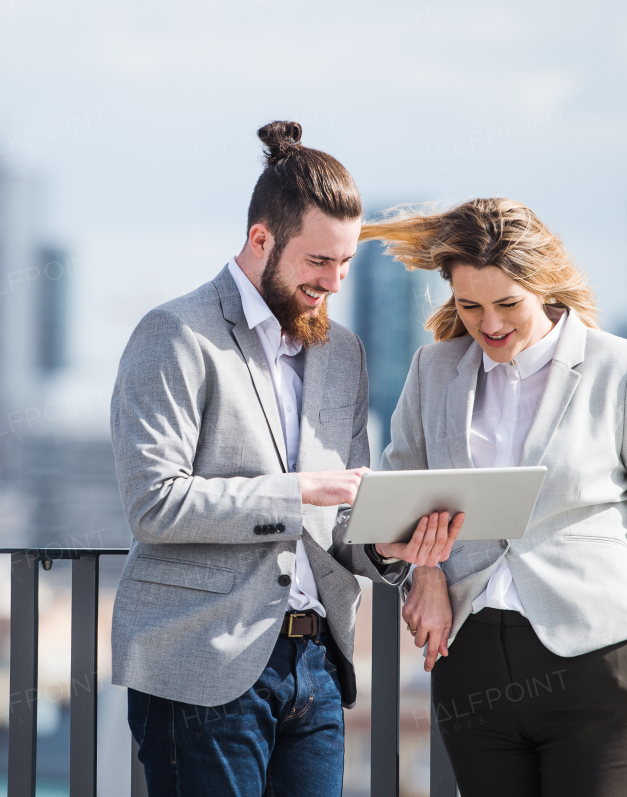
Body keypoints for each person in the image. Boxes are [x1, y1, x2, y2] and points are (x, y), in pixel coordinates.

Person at [110, 121, 462, 797]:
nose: (333, 282)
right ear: (260, 240)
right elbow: (155, 504)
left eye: (346, 264)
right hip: (202, 666)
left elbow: (335, 520)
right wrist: (301, 489)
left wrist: (389, 546)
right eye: (318, 262)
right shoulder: (175, 335)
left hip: (317, 670)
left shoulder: (343, 354)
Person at [362, 198, 627, 797]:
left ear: (543, 287)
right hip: (471, 674)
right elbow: (400, 507)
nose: (488, 324)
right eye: (470, 306)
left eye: (506, 305)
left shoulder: (624, 369)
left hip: (598, 666)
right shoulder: (433, 370)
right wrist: (428, 574)